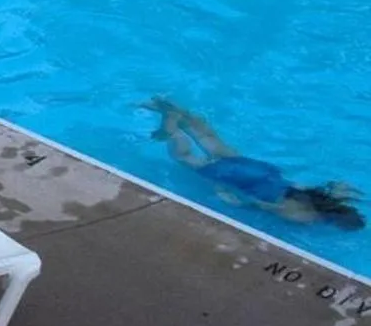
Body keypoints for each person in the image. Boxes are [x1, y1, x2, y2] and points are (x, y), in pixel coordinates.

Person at [147, 98, 363, 230]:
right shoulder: (305, 217)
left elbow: (335, 184)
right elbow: (265, 206)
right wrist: (235, 202)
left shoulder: (326, 197)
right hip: (243, 181)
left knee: (209, 138)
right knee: (185, 157)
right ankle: (171, 128)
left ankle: (168, 107)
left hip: (264, 172)